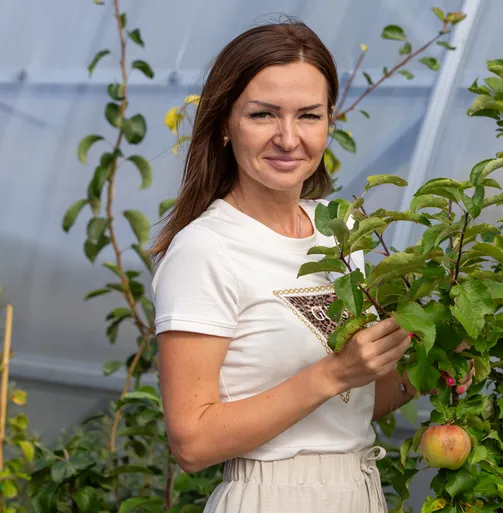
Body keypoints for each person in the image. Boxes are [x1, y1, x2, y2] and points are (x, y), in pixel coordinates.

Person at [149, 20, 470, 513]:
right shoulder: (207, 249)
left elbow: (349, 409)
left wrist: (440, 359)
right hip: (268, 497)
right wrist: (336, 373)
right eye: (262, 115)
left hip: (357, 490)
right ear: (223, 126)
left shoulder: (338, 231)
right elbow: (192, 442)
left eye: (308, 116)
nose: (287, 137)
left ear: (329, 123)